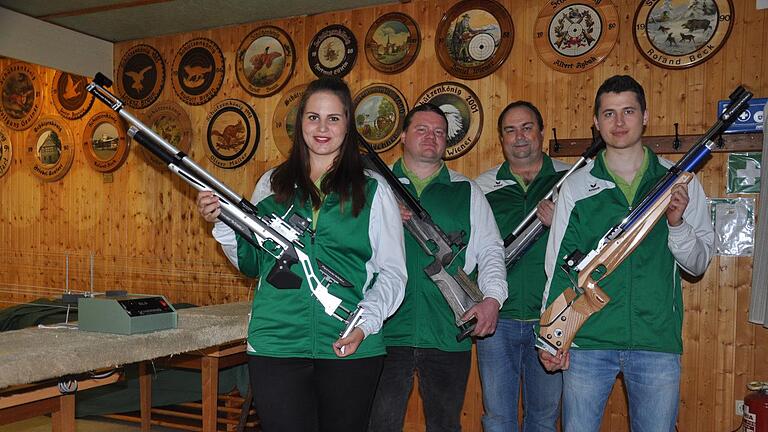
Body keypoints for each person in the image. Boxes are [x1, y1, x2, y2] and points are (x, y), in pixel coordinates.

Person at [196, 77, 407, 432]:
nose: (322, 128)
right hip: (277, 345)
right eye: (313, 117)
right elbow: (252, 263)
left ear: (348, 125)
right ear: (300, 125)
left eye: (333, 118)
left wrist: (364, 324)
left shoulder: (373, 191)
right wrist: (221, 223)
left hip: (349, 345)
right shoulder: (271, 184)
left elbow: (392, 273)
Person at [538, 75, 715, 431]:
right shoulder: (577, 186)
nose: (619, 123)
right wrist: (552, 336)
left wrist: (677, 224)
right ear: (596, 122)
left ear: (645, 116)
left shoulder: (678, 182)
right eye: (609, 114)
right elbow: (557, 265)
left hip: (655, 340)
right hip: (588, 341)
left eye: (628, 111)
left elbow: (698, 264)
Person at [368, 103, 508, 432]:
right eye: (422, 129)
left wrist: (492, 298)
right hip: (384, 331)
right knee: (378, 425)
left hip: (447, 332)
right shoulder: (374, 187)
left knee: (445, 425)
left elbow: (490, 248)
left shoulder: (466, 189)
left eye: (439, 132)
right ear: (402, 136)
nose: (431, 137)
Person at [474, 101, 567, 432]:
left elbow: (592, 245)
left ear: (541, 132)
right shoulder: (482, 186)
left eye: (527, 127)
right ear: (501, 139)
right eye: (510, 130)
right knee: (498, 418)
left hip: (553, 317)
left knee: (543, 418)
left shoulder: (570, 181)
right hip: (499, 319)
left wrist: (562, 224)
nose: (519, 137)